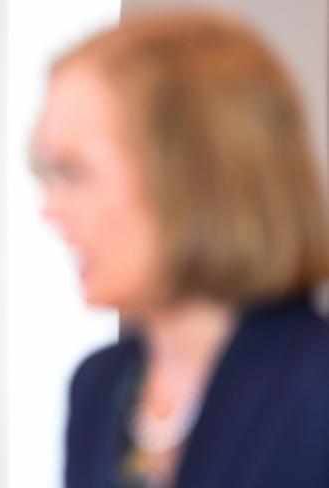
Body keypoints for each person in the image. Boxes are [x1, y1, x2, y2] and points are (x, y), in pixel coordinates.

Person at [32, 10, 329, 488]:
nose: (50, 210)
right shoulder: (100, 388)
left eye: (74, 172)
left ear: (198, 173)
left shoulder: (315, 391)